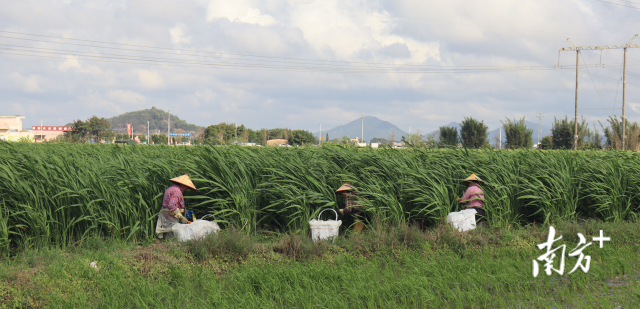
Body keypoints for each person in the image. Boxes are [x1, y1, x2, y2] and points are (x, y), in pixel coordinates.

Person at [155, 174, 197, 239]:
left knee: (167, 229)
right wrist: (181, 217)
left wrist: (184, 211)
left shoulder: (170, 188)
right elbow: (171, 206)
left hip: (165, 214)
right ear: (183, 185)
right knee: (172, 231)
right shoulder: (177, 191)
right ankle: (170, 244)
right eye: (186, 187)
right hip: (170, 214)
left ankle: (165, 242)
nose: (186, 189)